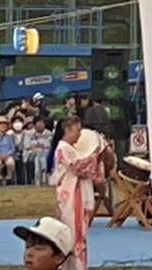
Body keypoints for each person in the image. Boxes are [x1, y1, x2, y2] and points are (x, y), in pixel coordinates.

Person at [47, 116, 108, 270]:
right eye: (77, 130)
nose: (80, 135)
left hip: (77, 194)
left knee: (78, 235)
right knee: (74, 236)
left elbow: (92, 173)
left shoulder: (71, 149)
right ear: (67, 130)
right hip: (72, 197)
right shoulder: (63, 148)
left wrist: (99, 155)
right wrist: (95, 153)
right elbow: (79, 168)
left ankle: (76, 266)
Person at [0, 117, 18, 185]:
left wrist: (7, 154)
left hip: (8, 155)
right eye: (1, 125)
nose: (3, 126)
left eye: (4, 125)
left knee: (11, 163)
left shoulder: (10, 136)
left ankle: (9, 178)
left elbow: (13, 147)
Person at [25, 118, 53, 186]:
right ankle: (44, 170)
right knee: (38, 152)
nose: (41, 125)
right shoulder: (28, 133)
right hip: (31, 153)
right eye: (39, 123)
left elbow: (49, 145)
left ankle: (37, 180)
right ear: (34, 125)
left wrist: (40, 148)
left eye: (42, 123)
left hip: (44, 153)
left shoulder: (48, 133)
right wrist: (34, 147)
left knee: (37, 158)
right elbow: (26, 145)